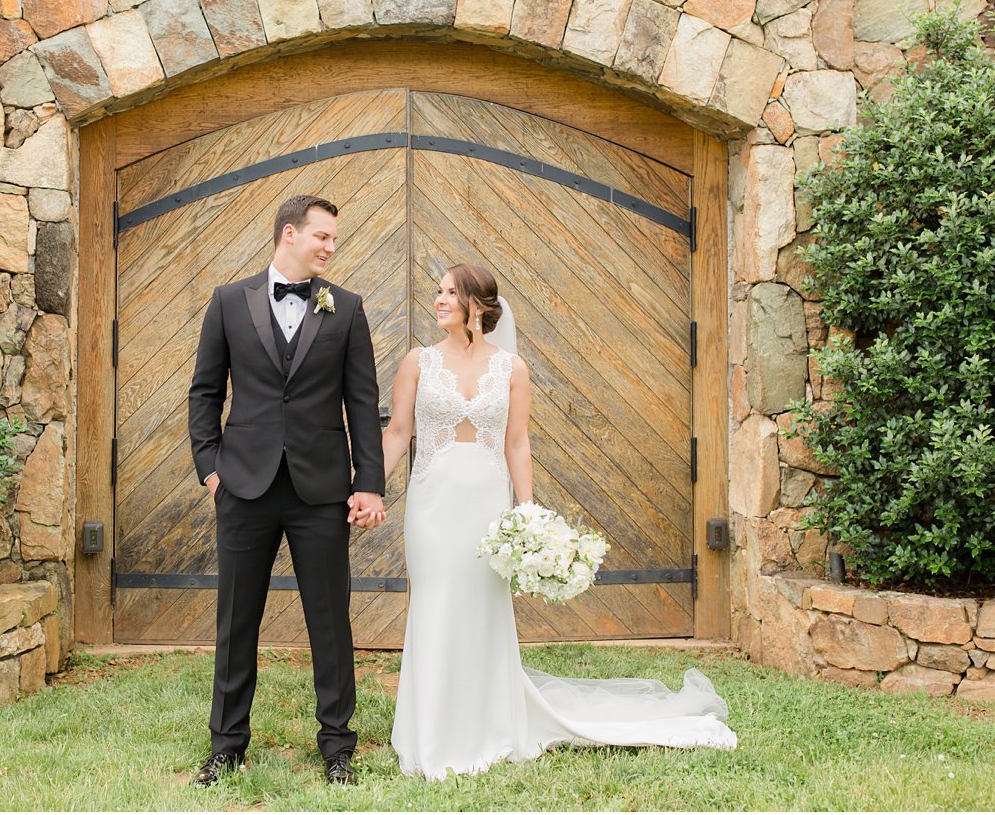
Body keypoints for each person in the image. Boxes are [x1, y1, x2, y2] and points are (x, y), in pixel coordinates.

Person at [381, 262, 738, 781]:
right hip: (431, 503)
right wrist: (366, 485)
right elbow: (397, 432)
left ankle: (487, 724)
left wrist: (526, 514)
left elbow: (517, 444)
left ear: (476, 307)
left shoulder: (511, 368)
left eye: (448, 293)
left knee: (481, 609)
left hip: (486, 506)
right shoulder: (419, 361)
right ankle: (428, 731)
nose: (437, 301)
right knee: (434, 604)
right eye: (437, 293)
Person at [187, 194, 387, 788]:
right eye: (322, 236)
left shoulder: (346, 309)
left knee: (330, 620)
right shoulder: (228, 301)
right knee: (235, 619)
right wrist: (210, 467)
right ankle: (227, 745)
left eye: (334, 239)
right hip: (243, 485)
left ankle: (337, 747)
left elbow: (362, 403)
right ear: (289, 233)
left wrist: (368, 484)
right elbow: (204, 393)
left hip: (320, 489)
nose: (330, 247)